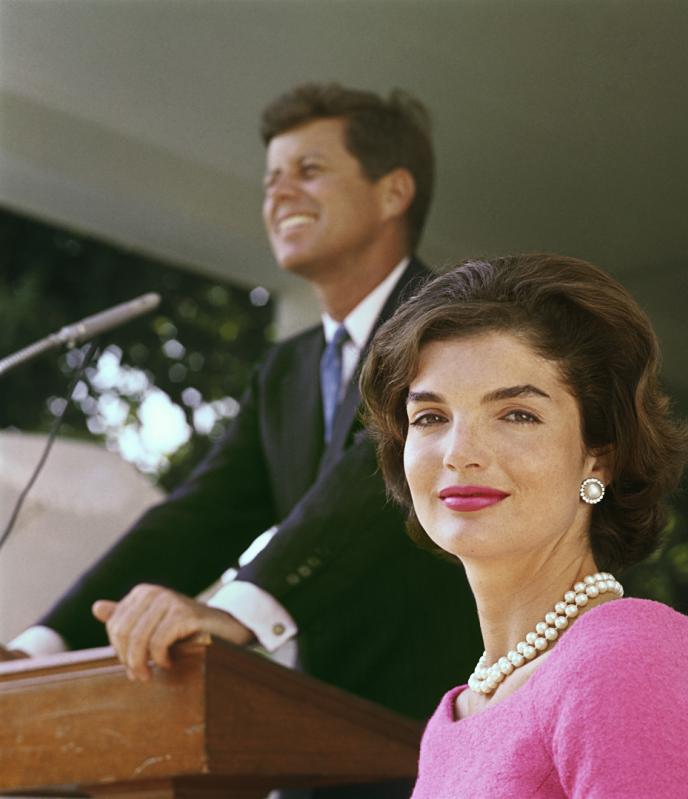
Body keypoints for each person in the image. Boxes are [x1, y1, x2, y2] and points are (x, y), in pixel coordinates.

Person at [2, 83, 481, 769]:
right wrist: (42, 645)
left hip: (436, 732)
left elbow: (376, 471)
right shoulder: (287, 369)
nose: (279, 194)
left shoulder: (452, 323)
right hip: (312, 745)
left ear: (393, 192)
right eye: (270, 180)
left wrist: (239, 609)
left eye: (309, 171)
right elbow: (198, 516)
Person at [360, 253, 688, 798]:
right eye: (431, 417)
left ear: (599, 458)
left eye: (517, 414)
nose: (459, 453)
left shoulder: (622, 659)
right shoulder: (454, 720)